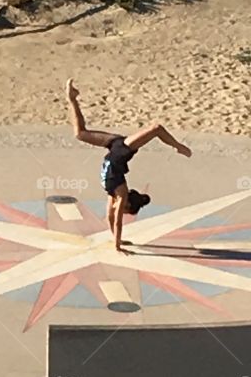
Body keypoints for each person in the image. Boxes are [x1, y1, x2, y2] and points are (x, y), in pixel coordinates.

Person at [65, 79, 191, 252]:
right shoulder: (121, 193)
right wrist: (118, 246)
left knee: (80, 133)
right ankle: (179, 146)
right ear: (128, 205)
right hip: (123, 148)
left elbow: (110, 217)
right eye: (125, 211)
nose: (120, 211)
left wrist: (116, 239)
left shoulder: (113, 194)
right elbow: (116, 219)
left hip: (113, 146)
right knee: (156, 129)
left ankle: (73, 99)